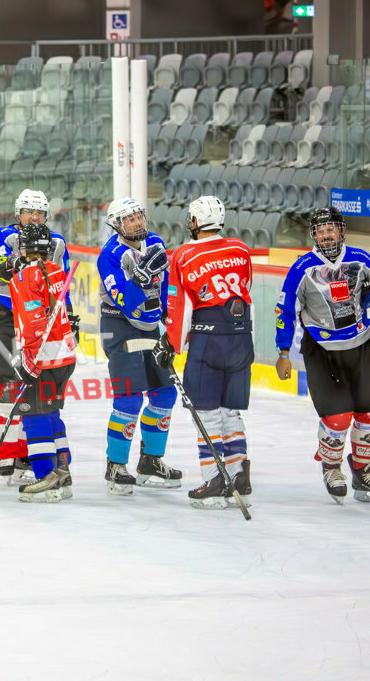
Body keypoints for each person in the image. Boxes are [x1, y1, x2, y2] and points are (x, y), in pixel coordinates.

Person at [275, 206, 370, 504]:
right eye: (320, 231)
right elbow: (285, 311)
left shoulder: (362, 259)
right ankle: (331, 468)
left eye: (330, 229)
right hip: (321, 350)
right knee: (338, 417)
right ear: (313, 235)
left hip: (359, 346)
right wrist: (283, 352)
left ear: (341, 230)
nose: (326, 235)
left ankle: (364, 471)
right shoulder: (302, 268)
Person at [154, 196, 253, 509]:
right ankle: (239, 478)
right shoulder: (240, 249)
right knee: (230, 411)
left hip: (208, 341)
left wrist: (172, 345)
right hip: (241, 340)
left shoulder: (184, 255)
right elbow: (245, 290)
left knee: (207, 413)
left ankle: (214, 480)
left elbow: (180, 307)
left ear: (195, 222)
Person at [0, 189, 73, 483]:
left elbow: (62, 286)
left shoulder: (57, 243)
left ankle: (28, 456)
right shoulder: (0, 237)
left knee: (37, 393)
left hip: (39, 323)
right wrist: (22, 263)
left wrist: (69, 317)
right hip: (4, 319)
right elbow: (0, 269)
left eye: (39, 212)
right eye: (29, 211)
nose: (34, 217)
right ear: (17, 212)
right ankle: (7, 456)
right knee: (4, 389)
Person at [97, 197, 182, 494]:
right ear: (117, 225)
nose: (136, 223)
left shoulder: (156, 242)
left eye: (138, 216)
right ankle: (115, 465)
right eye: (129, 219)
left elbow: (166, 287)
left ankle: (150, 461)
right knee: (129, 398)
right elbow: (126, 302)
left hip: (152, 326)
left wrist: (170, 322)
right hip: (119, 327)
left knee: (165, 393)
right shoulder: (110, 255)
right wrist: (140, 278)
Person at [8, 222, 79, 502]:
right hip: (65, 356)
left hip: (43, 358)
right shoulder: (56, 270)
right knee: (51, 413)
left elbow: (35, 324)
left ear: (24, 248)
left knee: (33, 414)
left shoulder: (24, 278)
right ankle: (63, 473)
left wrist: (29, 361)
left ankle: (45, 477)